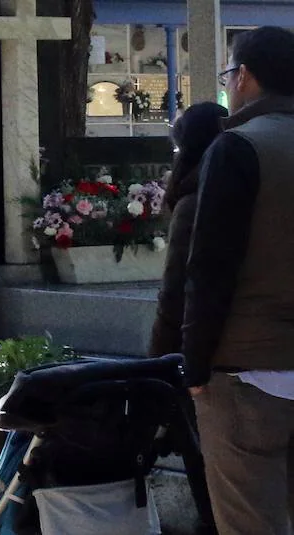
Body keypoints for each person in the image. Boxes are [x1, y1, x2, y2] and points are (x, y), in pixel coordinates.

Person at [182, 26, 294, 534]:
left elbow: (211, 266)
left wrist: (196, 365)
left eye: (229, 74)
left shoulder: (238, 148)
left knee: (250, 522)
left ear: (244, 77)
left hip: (247, 367)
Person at [149, 102, 227, 535]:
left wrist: (157, 361)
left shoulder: (193, 198)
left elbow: (175, 295)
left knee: (208, 481)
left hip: (200, 358)